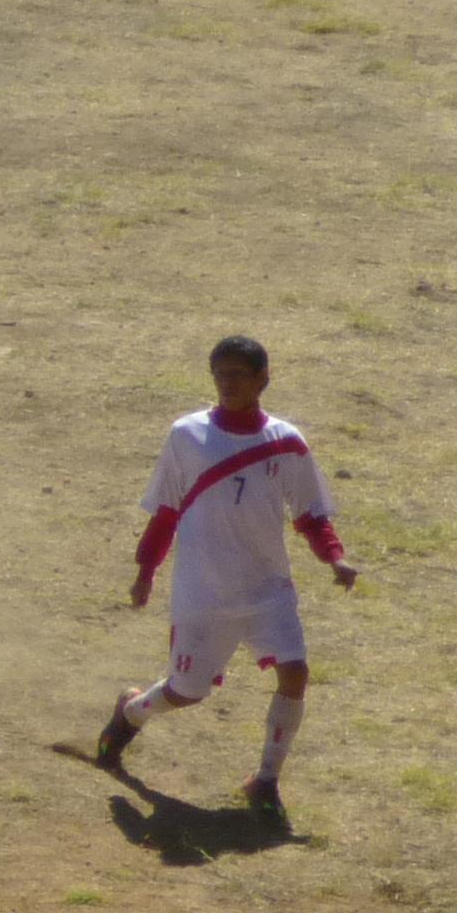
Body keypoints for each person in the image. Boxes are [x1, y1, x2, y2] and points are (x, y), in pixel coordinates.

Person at [91, 337, 357, 830]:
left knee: (295, 673)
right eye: (220, 374)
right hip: (204, 594)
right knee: (186, 693)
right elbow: (166, 511)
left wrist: (334, 559)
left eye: (238, 374)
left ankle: (266, 781)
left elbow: (310, 514)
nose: (228, 383)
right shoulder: (186, 435)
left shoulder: (286, 442)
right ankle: (131, 712)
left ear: (263, 379)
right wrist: (146, 570)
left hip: (267, 589)